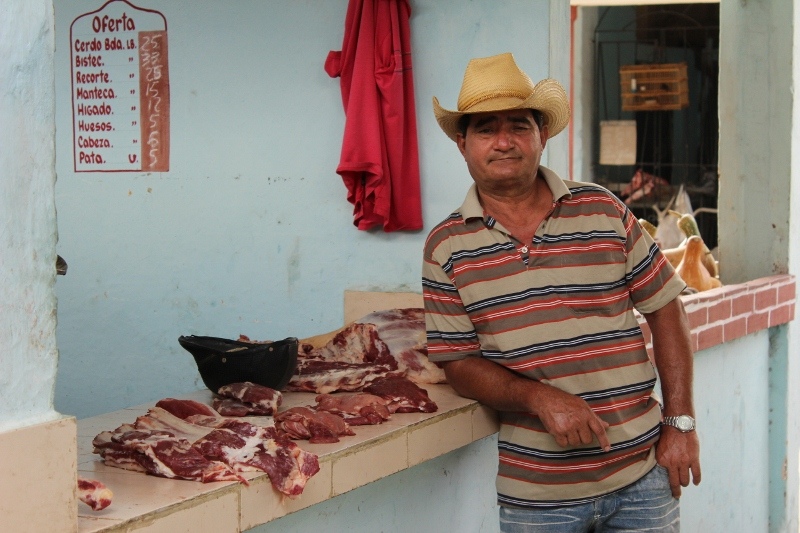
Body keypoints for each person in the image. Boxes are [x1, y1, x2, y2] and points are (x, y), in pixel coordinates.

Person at [422, 52, 701, 532]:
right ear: (462, 144)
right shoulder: (446, 247)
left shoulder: (603, 210)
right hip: (539, 496)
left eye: (519, 126)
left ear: (542, 135)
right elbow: (458, 364)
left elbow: (666, 309)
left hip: (643, 476)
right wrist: (538, 397)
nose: (504, 142)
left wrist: (681, 423)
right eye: (486, 129)